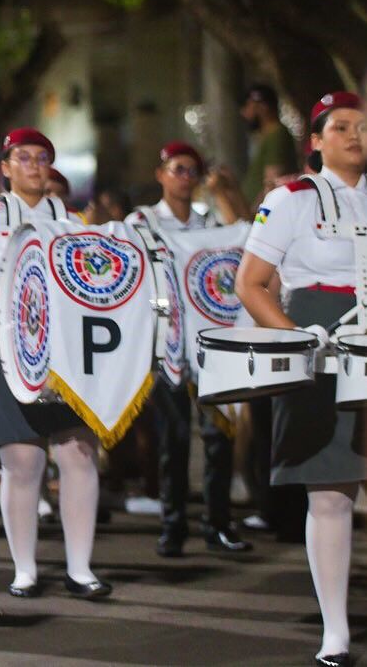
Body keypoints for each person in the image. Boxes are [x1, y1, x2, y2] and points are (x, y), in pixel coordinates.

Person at [0, 128, 110, 600]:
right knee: (22, 459)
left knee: (78, 452)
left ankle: (80, 568)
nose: (35, 165)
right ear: (6, 166)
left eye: (43, 157)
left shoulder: (75, 222)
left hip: (62, 342)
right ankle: (25, 567)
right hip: (3, 337)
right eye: (24, 157)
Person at [236, 91, 367, 667]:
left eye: (362, 127)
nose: (355, 136)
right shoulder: (290, 199)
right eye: (341, 127)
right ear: (315, 141)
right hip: (320, 339)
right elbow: (252, 283)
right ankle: (335, 631)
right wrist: (297, 336)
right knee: (332, 491)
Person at [126, 141, 252, 558]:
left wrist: (224, 191)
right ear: (160, 174)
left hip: (212, 343)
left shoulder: (211, 218)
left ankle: (217, 523)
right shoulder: (141, 221)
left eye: (191, 170)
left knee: (219, 436)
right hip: (167, 343)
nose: (184, 176)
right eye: (177, 168)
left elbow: (246, 239)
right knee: (174, 438)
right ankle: (173, 524)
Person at [240, 83, 298, 206]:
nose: (244, 113)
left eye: (247, 106)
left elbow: (272, 181)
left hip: (261, 213)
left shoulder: (277, 135)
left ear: (262, 107)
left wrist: (257, 214)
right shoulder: (266, 136)